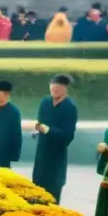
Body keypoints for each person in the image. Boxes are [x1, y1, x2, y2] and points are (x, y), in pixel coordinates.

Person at [31, 74, 79, 203]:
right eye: (52, 89)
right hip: (41, 152)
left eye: (57, 89)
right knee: (37, 185)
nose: (54, 92)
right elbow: (41, 122)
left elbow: (68, 136)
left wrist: (48, 130)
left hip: (57, 155)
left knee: (53, 189)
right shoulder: (45, 103)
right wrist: (38, 131)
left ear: (65, 89)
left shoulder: (70, 108)